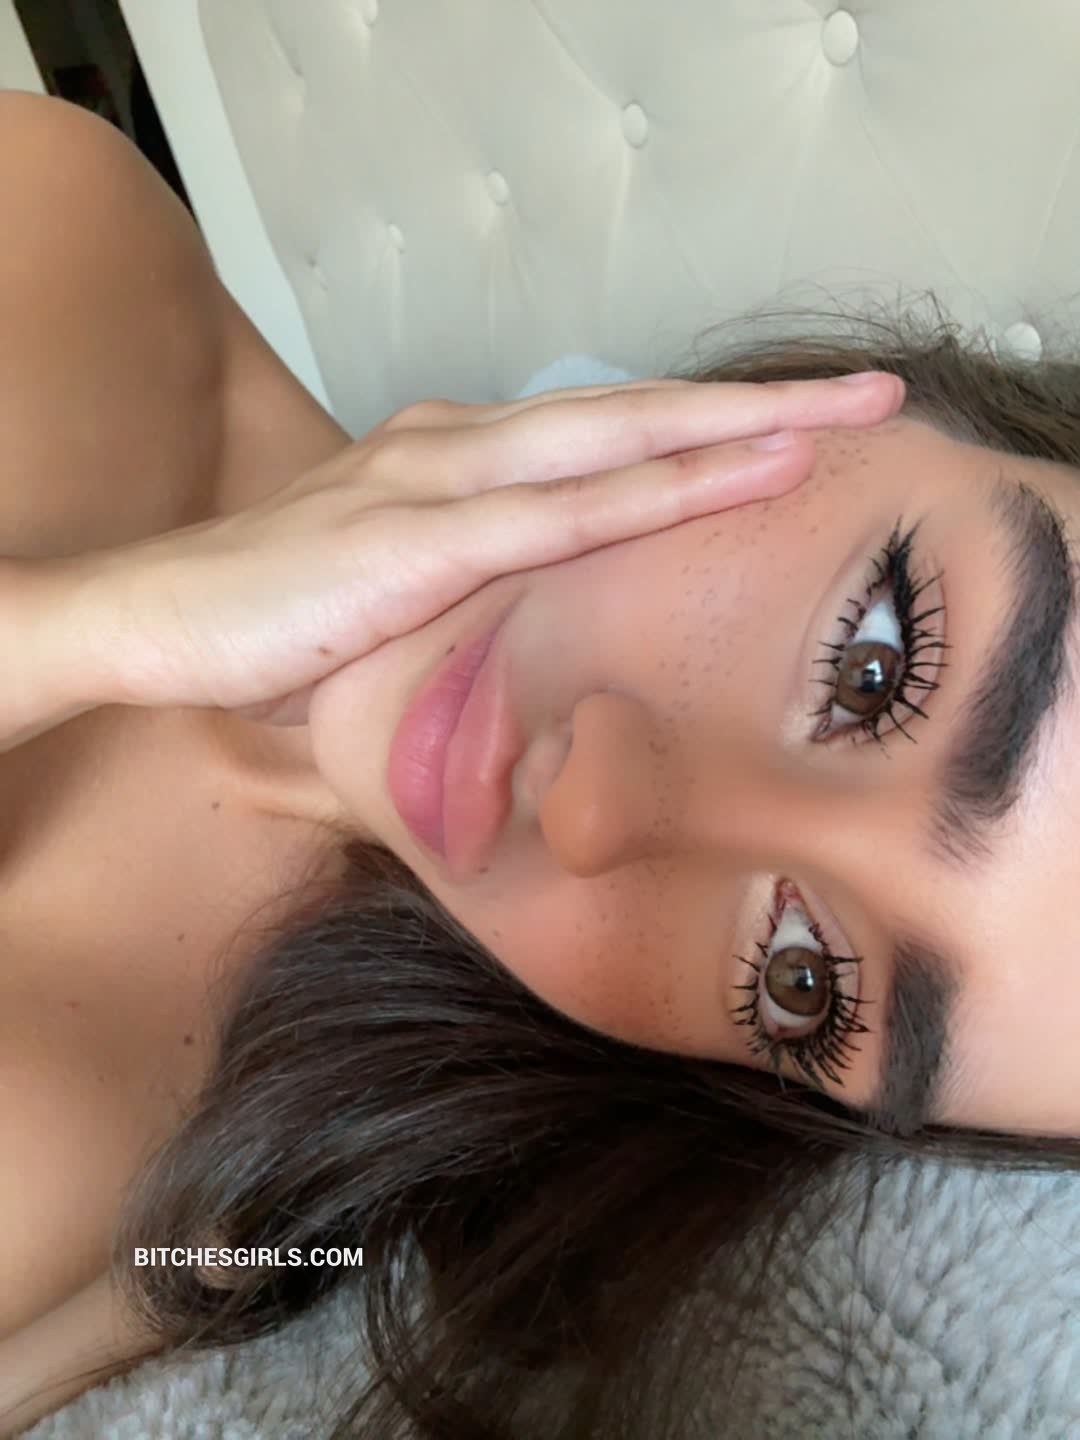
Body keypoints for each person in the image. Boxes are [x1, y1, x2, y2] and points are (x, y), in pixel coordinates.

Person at [2, 90, 1077, 1438]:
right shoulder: (56, 226)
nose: (591, 810)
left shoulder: (237, 1189)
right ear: (888, 403)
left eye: (804, 983)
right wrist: (83, 629)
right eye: (877, 664)